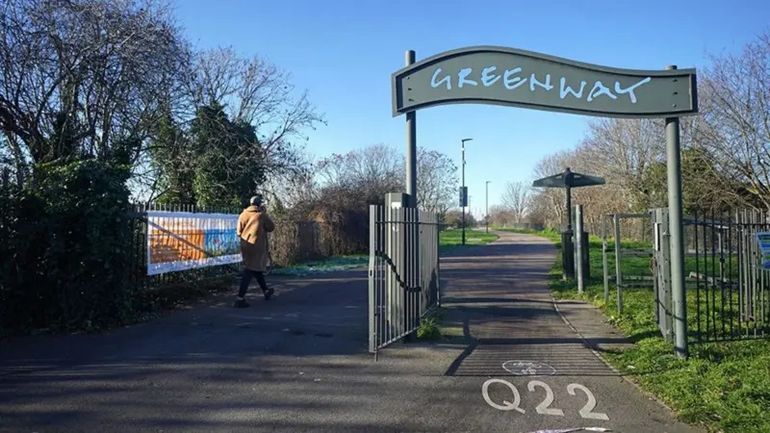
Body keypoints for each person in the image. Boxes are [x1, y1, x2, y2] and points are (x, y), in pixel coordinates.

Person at [234, 195, 275, 308]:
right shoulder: (261, 215)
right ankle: (240, 298)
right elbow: (271, 227)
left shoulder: (243, 214)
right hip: (257, 246)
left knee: (254, 268)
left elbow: (238, 232)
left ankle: (266, 291)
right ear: (259, 204)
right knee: (249, 270)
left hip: (245, 245)